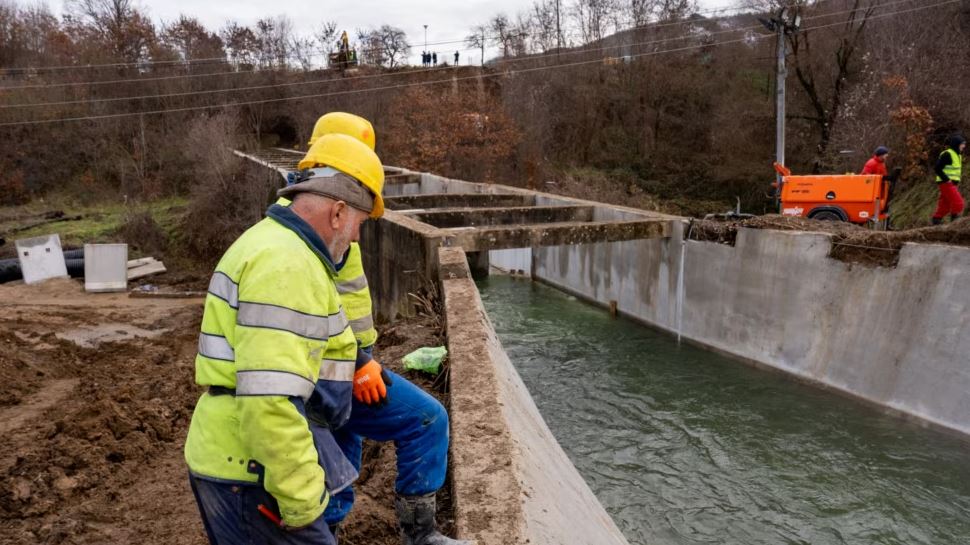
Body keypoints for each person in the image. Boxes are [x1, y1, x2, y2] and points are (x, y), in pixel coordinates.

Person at [184, 133, 385, 545]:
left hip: (240, 461)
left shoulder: (274, 244)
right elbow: (269, 402)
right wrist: (303, 504)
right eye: (359, 224)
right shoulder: (287, 266)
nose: (358, 238)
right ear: (338, 212)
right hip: (250, 470)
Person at [300, 113, 471, 545]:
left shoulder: (321, 220)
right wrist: (358, 362)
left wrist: (363, 359)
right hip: (329, 371)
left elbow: (342, 298)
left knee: (345, 452)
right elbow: (312, 307)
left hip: (347, 367)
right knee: (424, 421)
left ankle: (407, 533)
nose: (358, 233)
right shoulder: (312, 227)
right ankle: (416, 535)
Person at [932, 134, 965, 225]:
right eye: (962, 144)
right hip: (946, 183)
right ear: (956, 144)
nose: (964, 146)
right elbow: (937, 168)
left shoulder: (958, 155)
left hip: (951, 184)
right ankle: (955, 223)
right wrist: (947, 180)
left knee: (945, 205)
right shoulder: (947, 154)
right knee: (959, 203)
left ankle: (936, 220)